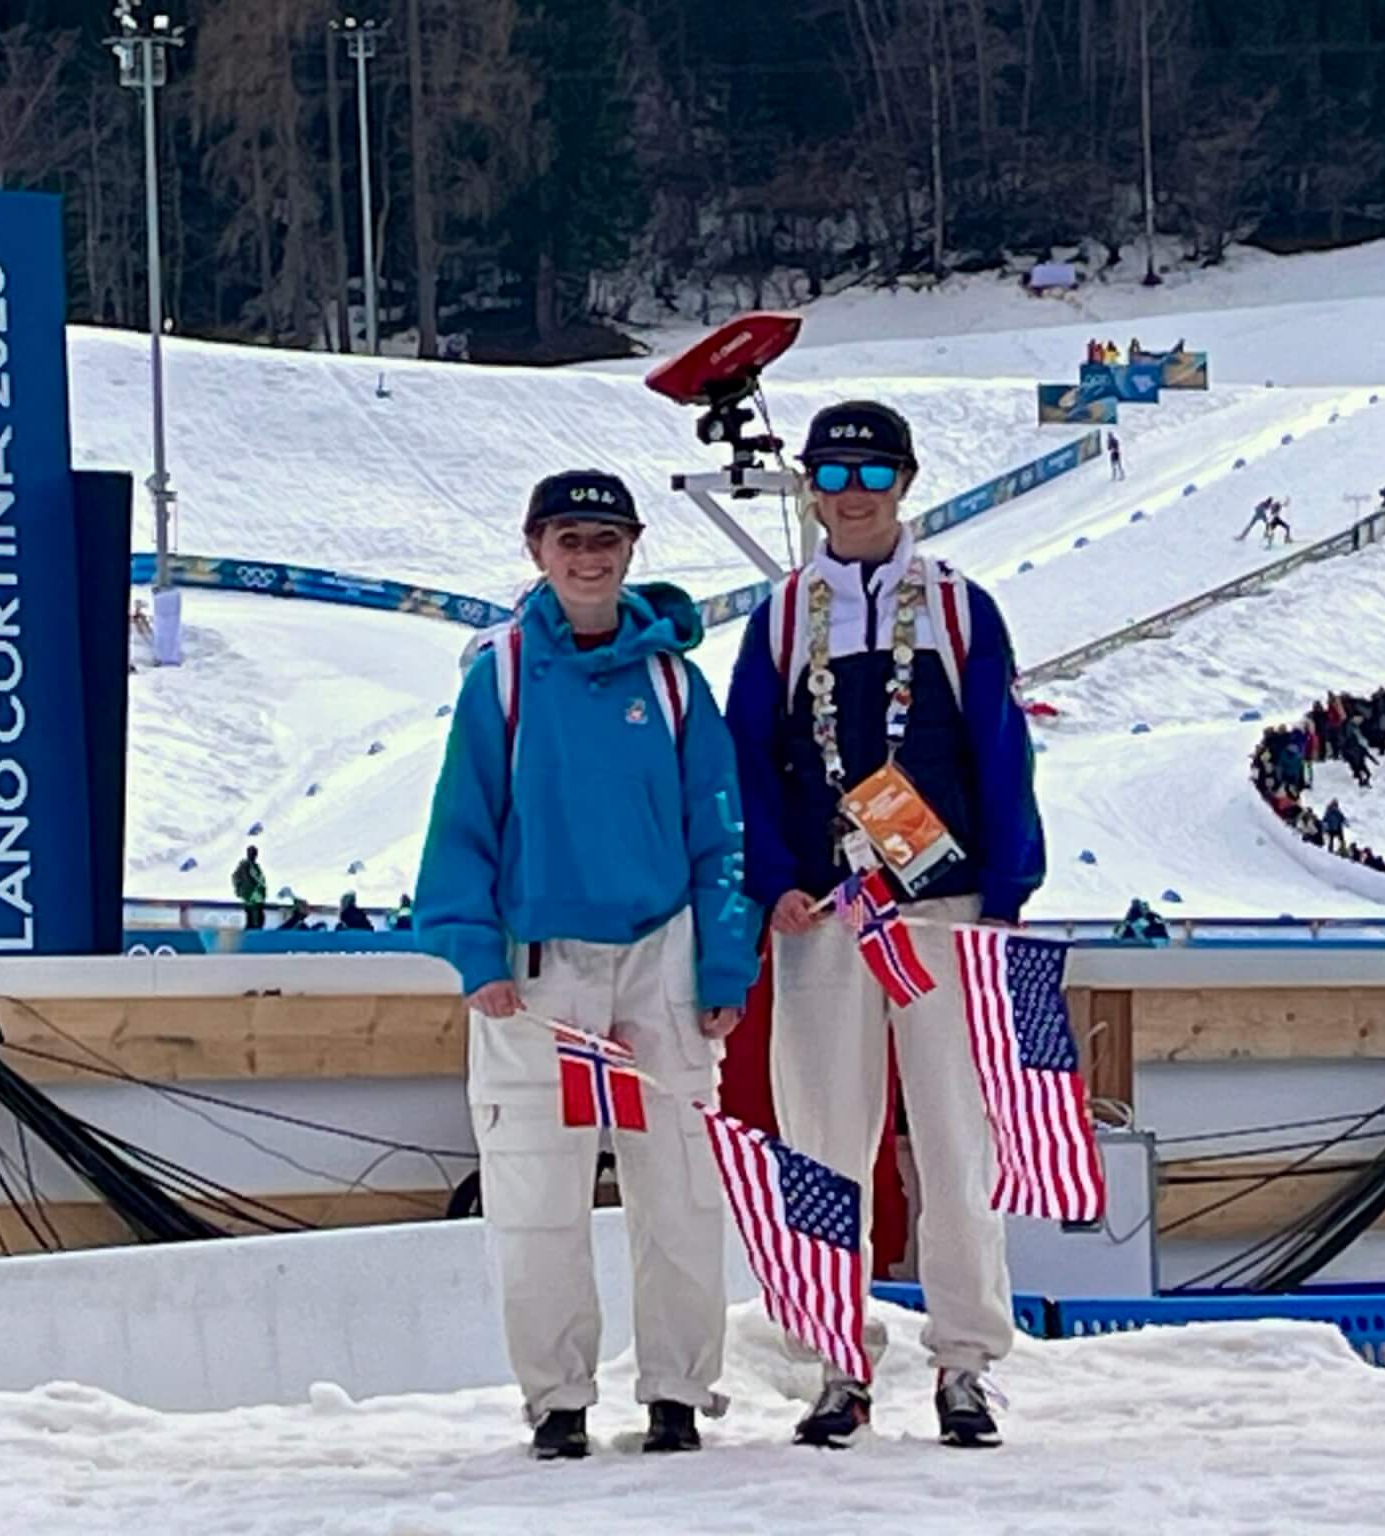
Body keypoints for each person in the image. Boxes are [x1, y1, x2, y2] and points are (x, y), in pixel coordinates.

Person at [416, 468, 758, 1461]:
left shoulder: (672, 682)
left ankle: (676, 1392)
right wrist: (470, 950)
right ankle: (557, 1397)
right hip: (538, 966)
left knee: (680, 1186)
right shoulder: (505, 673)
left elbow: (717, 830)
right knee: (535, 1190)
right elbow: (461, 826)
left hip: (659, 955)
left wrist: (724, 965)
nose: (587, 555)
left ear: (632, 549)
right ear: (535, 551)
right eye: (567, 538)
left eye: (605, 538)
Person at [726, 400, 1045, 1451]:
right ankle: (834, 1359)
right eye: (831, 474)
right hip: (823, 909)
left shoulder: (954, 606)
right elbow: (745, 760)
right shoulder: (780, 617)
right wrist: (770, 876)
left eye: (871, 474)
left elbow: (1000, 746)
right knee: (822, 1139)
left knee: (954, 1133)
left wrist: (1004, 889)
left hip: (940, 904)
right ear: (809, 488)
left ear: (903, 484)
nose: (851, 493)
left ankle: (963, 1363)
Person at [231, 844, 268, 929]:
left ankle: (254, 932)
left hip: (256, 897)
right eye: (252, 853)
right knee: (253, 918)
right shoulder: (245, 866)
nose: (254, 855)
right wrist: (240, 890)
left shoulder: (254, 866)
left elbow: (261, 881)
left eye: (254, 853)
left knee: (257, 917)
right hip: (251, 896)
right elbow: (235, 878)